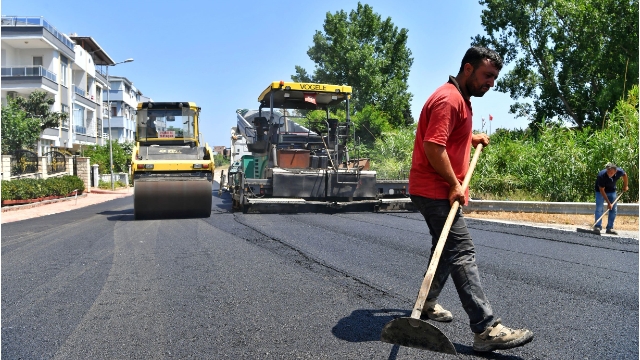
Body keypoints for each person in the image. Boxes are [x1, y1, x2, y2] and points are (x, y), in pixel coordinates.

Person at [408, 46, 533, 352]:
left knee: (447, 249)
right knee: (461, 251)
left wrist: (469, 138)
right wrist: (454, 184)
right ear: (468, 68)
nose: (491, 83)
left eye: (494, 78)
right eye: (487, 75)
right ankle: (485, 328)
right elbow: (433, 147)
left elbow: (448, 139)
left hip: (433, 187)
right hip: (435, 190)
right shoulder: (450, 100)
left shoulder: (460, 99)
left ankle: (426, 303)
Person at [593, 162, 628, 234]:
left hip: (612, 191)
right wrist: (608, 203)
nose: (609, 174)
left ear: (616, 171)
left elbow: (624, 175)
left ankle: (609, 228)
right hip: (600, 192)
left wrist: (625, 185)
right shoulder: (601, 175)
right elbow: (602, 190)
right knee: (599, 208)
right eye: (608, 172)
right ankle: (597, 226)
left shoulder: (620, 171)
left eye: (611, 173)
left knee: (613, 210)